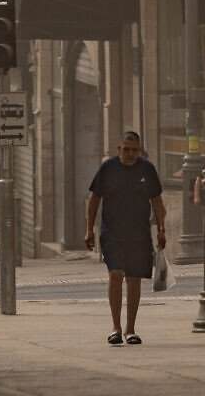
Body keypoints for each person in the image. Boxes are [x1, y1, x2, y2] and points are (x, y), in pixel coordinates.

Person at [86, 131, 167, 346]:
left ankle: (130, 329)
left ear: (139, 150)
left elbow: (157, 202)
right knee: (115, 275)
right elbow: (94, 200)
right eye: (126, 149)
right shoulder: (108, 168)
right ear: (119, 149)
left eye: (135, 150)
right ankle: (116, 327)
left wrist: (161, 229)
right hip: (112, 232)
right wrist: (89, 230)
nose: (130, 154)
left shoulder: (146, 169)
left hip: (139, 233)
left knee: (133, 279)